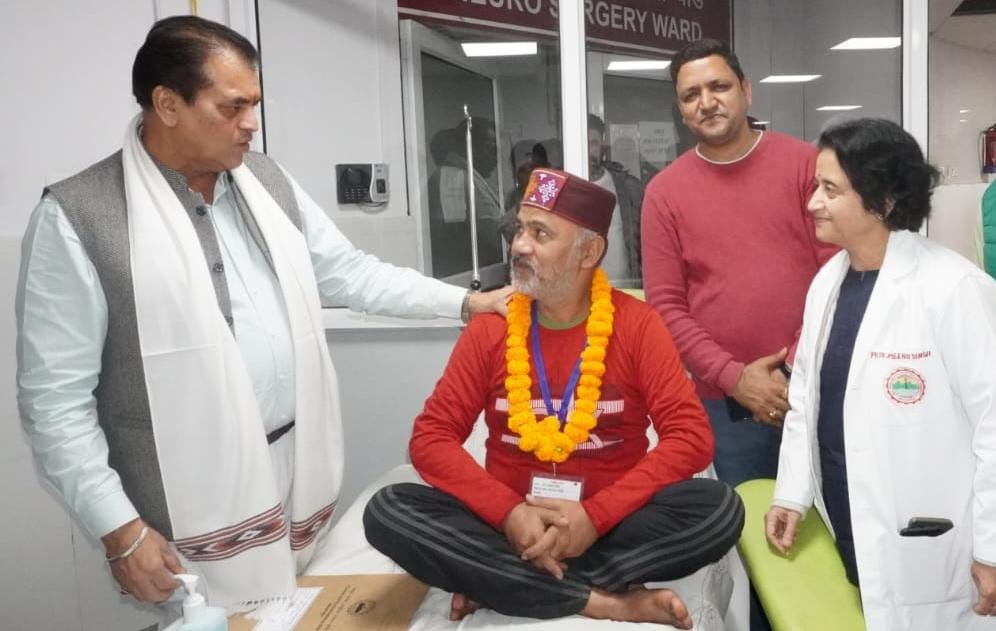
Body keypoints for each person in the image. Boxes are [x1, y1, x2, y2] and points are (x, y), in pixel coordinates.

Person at [15, 15, 510, 611]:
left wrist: (464, 302)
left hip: (292, 479)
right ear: (167, 104)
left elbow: (349, 273)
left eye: (254, 104)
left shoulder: (265, 182)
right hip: (179, 505)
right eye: (232, 107)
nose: (251, 123)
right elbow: (54, 405)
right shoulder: (77, 216)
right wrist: (120, 531)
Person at [363, 168, 744, 628]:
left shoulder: (638, 326)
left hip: (608, 527)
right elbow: (430, 438)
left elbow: (691, 438)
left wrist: (594, 517)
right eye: (519, 229)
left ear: (589, 252)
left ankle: (498, 581)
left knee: (720, 508)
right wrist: (509, 514)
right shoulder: (491, 328)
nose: (520, 246)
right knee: (388, 510)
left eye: (540, 233)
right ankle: (603, 601)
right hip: (506, 527)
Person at [765, 118, 996, 630]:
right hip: (849, 514)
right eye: (816, 187)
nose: (813, 203)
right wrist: (791, 493)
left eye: (831, 190)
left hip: (935, 537)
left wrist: (992, 548)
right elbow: (806, 401)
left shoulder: (954, 289)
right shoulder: (828, 282)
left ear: (884, 201)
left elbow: (994, 428)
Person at [641, 38, 837, 489]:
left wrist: (790, 371)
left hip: (819, 383)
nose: (707, 102)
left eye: (719, 86)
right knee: (751, 518)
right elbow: (666, 305)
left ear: (746, 90)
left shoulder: (805, 166)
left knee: (835, 516)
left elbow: (836, 273)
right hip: (728, 403)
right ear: (681, 110)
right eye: (691, 95)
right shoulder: (664, 193)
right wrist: (736, 379)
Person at [426, 117, 504, 278]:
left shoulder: (466, 176)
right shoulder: (452, 177)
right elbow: (491, 234)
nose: (496, 158)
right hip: (465, 277)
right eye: (491, 149)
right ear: (471, 147)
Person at [587, 113, 644, 286]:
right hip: (576, 297)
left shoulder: (628, 188)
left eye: (593, 143)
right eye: (583, 143)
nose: (588, 151)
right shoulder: (558, 186)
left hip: (625, 290)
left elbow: (645, 243)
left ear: (602, 146)